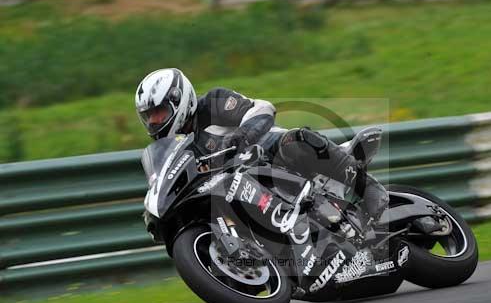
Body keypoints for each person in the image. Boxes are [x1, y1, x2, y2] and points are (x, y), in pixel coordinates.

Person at [135, 68, 388, 225]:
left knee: (296, 140)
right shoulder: (170, 149)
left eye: (159, 112)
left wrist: (243, 135)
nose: (155, 121)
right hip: (236, 196)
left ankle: (366, 186)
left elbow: (262, 108)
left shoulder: (212, 104)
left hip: (270, 159)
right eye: (149, 116)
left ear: (179, 100)